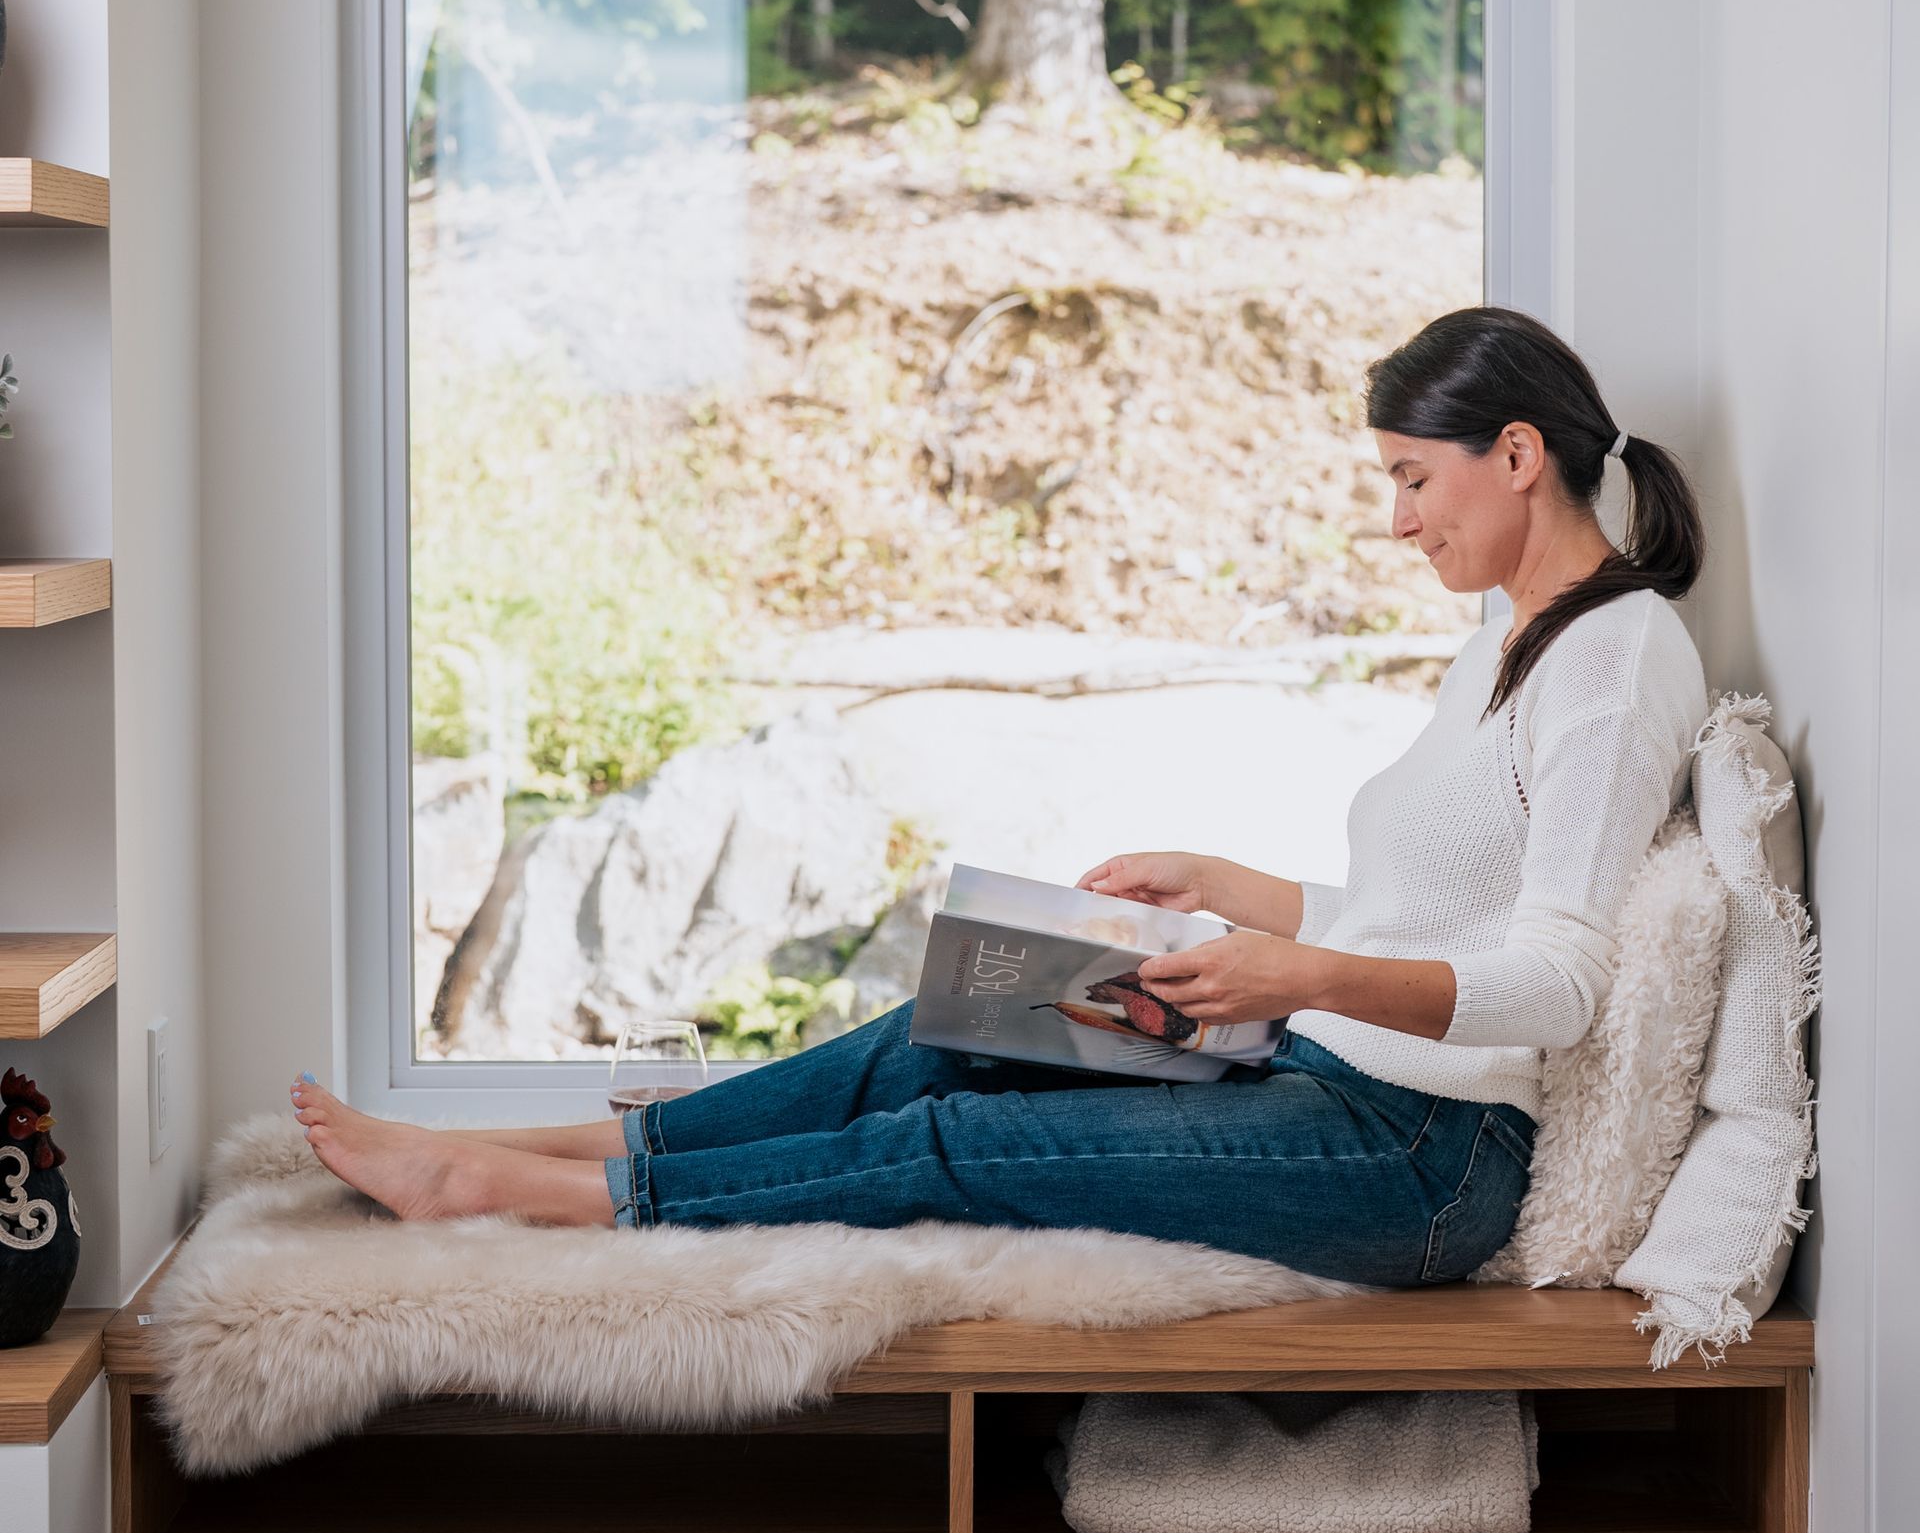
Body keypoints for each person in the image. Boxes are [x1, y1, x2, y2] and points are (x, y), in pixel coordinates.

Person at [292, 304, 1709, 1289]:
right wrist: (1220, 884)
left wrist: (1301, 971)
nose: (1397, 519)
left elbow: (1560, 981)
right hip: (1331, 1066)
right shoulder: (1503, 650)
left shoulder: (1618, 658)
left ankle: (519, 1195)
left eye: (1413, 479)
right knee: (959, 1024)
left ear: (1516, 455)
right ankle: (541, 1140)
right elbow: (1431, 914)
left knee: (958, 1142)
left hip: (1418, 1155)